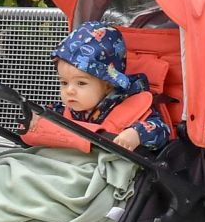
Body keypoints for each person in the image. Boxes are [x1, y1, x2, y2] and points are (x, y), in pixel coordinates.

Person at [49, 22, 171, 153]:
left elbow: (162, 130)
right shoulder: (66, 110)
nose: (69, 90)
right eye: (64, 83)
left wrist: (137, 134)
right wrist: (36, 117)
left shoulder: (128, 104)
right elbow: (49, 114)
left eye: (81, 83)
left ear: (108, 85)